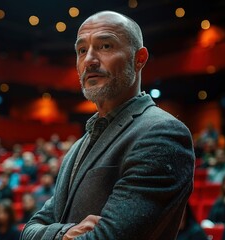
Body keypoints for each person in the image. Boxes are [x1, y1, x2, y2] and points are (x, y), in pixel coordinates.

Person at [21, 10, 195, 240]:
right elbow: (28, 230)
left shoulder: (162, 133)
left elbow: (108, 237)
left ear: (139, 59)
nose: (90, 60)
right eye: (82, 50)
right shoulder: (78, 146)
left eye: (105, 46)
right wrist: (63, 234)